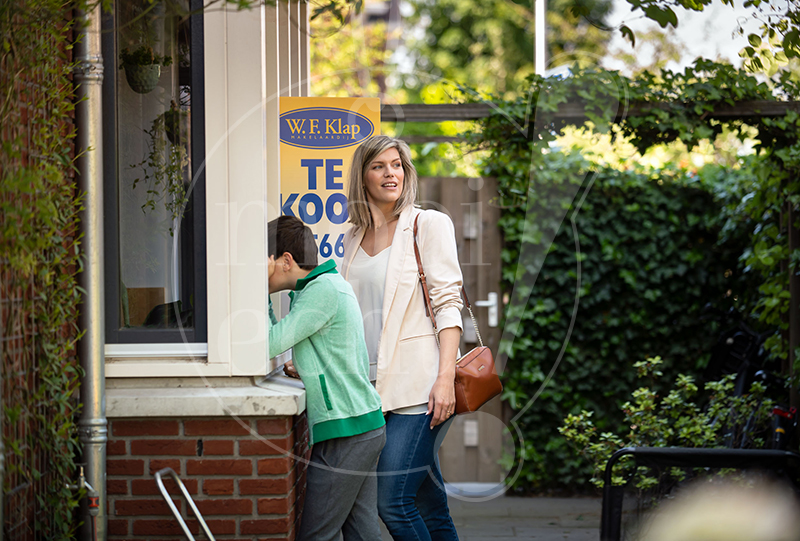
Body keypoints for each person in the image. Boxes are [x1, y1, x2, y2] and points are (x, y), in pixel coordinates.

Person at [341, 135, 463, 540]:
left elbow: (448, 304)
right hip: (372, 388)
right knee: (429, 504)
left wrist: (445, 379)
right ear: (362, 176)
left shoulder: (427, 224)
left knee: (392, 501)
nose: (390, 173)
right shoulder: (352, 238)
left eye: (396, 165)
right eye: (378, 166)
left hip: (420, 387)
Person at [266, 215, 386, 541]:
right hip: (362, 424)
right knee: (361, 532)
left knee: (317, 536)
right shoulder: (325, 287)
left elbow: (268, 342)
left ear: (286, 261)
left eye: (264, 261)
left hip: (346, 430)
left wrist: (257, 293)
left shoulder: (321, 292)